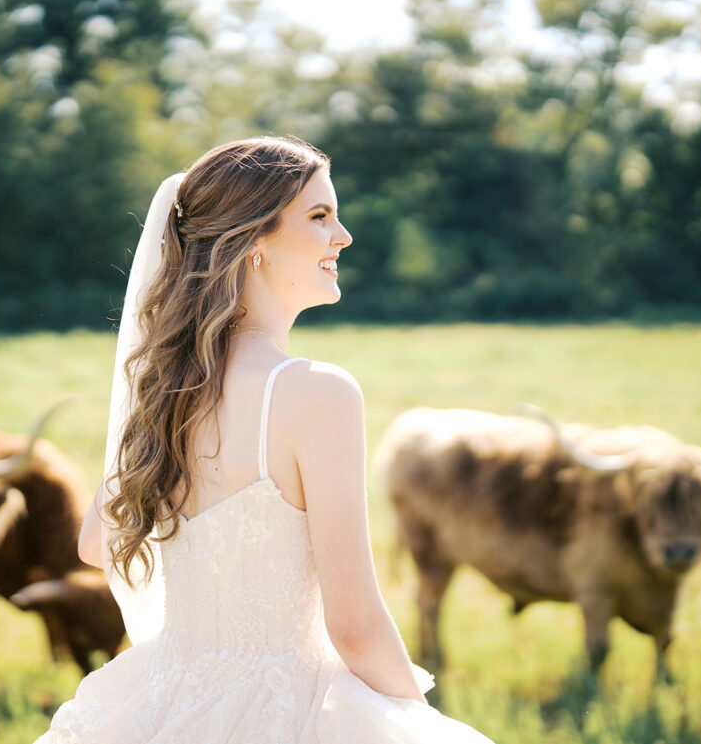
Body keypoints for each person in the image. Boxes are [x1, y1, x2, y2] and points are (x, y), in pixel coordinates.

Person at [35, 136, 495, 743]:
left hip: (165, 694)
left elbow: (98, 543)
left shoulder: (165, 388)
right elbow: (354, 626)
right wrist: (420, 723)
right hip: (285, 709)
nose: (344, 237)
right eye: (320, 216)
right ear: (253, 240)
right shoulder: (314, 393)